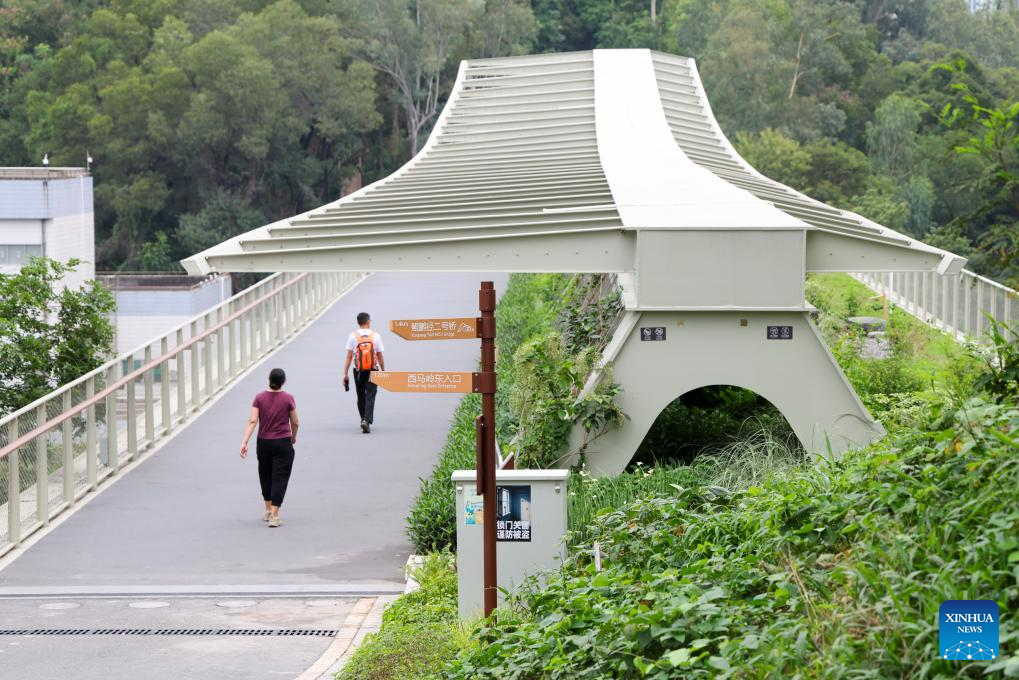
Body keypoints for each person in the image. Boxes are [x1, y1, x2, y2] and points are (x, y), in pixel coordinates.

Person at [240, 368, 299, 528]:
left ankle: (267, 510)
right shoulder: (288, 398)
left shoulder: (259, 398)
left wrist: (244, 442)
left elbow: (252, 421)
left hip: (263, 443)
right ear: (283, 382)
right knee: (280, 477)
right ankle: (274, 515)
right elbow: (295, 422)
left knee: (265, 475)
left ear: (269, 380)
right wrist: (293, 436)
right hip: (282, 442)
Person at [342, 312, 385, 433]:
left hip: (358, 370)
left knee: (361, 395)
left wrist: (345, 373)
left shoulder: (352, 336)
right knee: (371, 395)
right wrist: (383, 371)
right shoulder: (376, 336)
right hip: (373, 369)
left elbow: (349, 356)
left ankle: (363, 419)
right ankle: (366, 420)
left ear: (358, 323)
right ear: (368, 321)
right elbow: (380, 356)